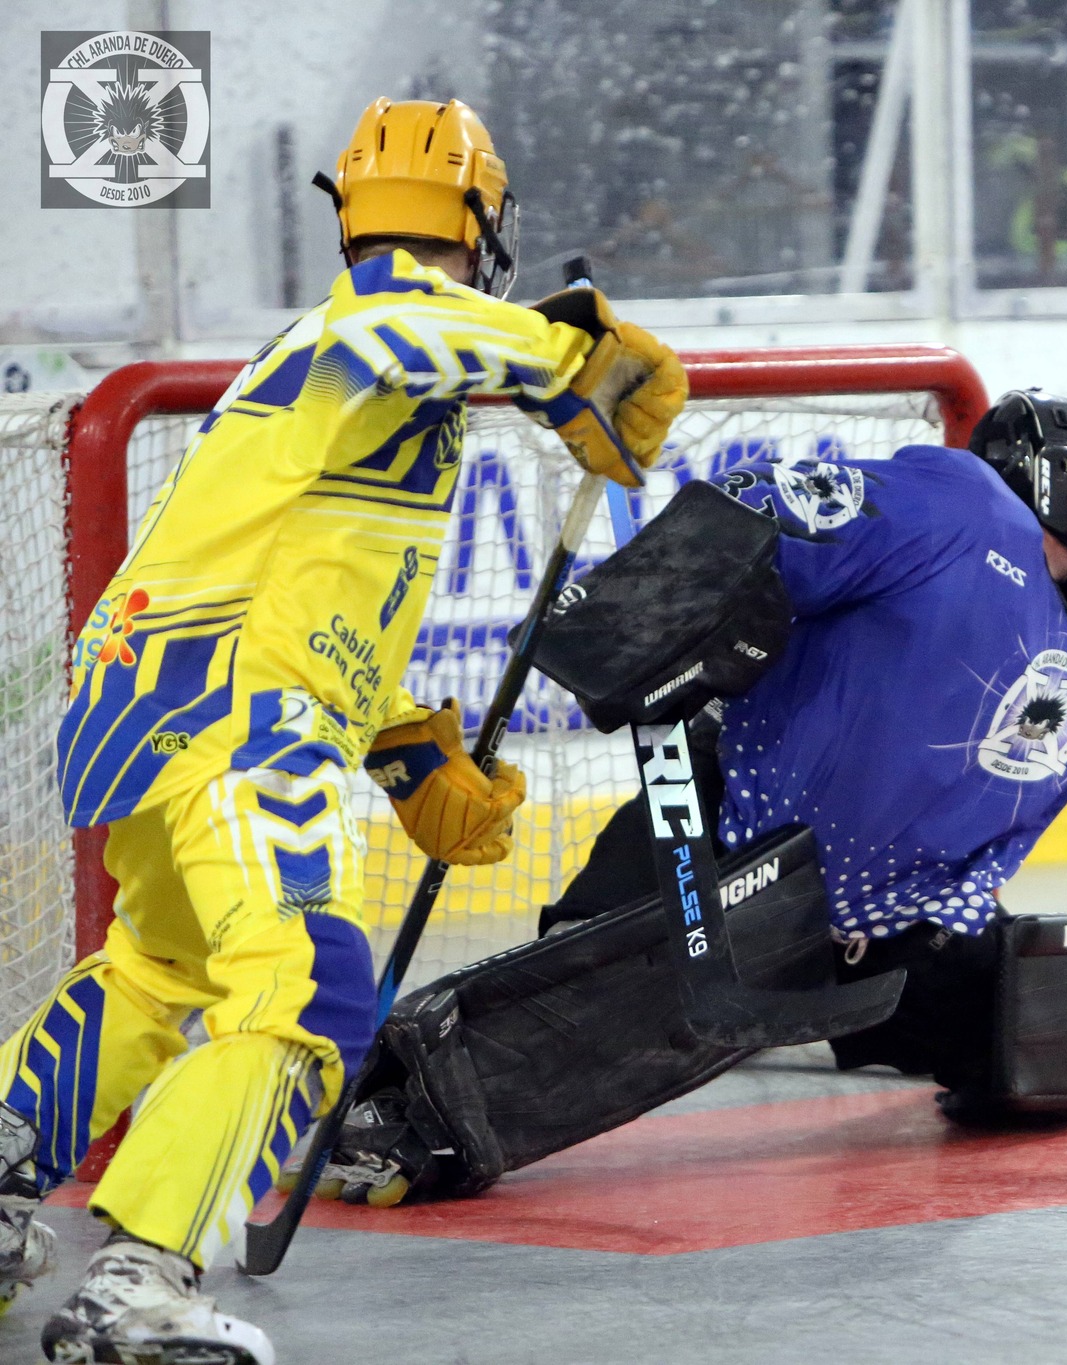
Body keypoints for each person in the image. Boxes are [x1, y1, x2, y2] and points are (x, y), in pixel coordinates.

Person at [0, 97, 685, 1364]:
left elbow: (313, 587)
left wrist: (402, 746)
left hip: (163, 699)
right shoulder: (377, 329)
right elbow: (402, 321)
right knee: (310, 986)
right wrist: (563, 353)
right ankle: (138, 1283)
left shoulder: (365, 377)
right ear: (480, 226)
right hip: (236, 711)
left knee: (160, 972)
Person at [297, 390, 1067, 1208]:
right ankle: (392, 1104)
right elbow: (771, 506)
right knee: (578, 994)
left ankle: (812, 1012)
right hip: (731, 849)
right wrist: (647, 614)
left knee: (1047, 1049)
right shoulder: (964, 505)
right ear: (1039, 471)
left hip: (897, 942)